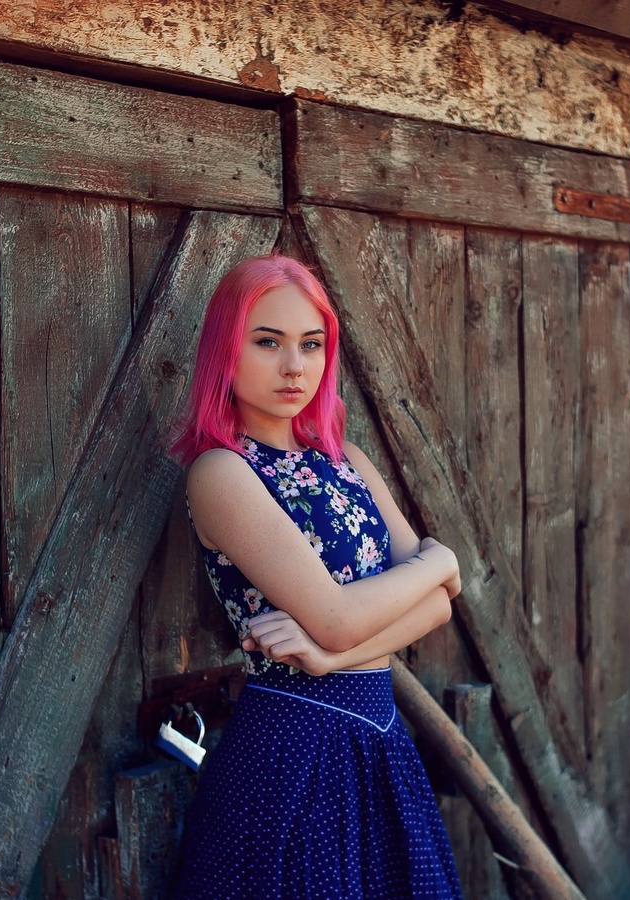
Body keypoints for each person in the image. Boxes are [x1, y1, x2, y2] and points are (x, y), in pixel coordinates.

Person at [169, 254, 464, 898]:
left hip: (381, 740)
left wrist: (334, 658)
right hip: (293, 752)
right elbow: (336, 616)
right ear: (227, 348)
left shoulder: (347, 460)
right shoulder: (222, 474)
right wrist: (439, 562)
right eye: (267, 342)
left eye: (312, 344)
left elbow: (439, 608)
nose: (294, 366)